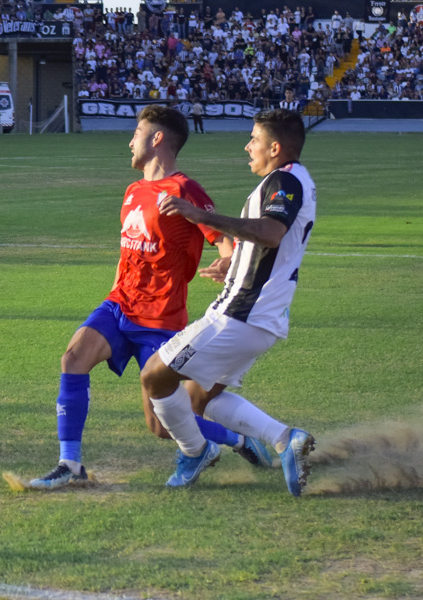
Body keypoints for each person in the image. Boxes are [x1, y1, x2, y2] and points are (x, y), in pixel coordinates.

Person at [24, 105, 274, 490]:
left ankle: (238, 439)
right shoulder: (133, 191)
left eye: (137, 132)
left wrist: (227, 261)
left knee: (161, 427)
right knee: (73, 357)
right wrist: (113, 297)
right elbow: (128, 250)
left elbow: (224, 238)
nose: (129, 141)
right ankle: (69, 464)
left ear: (157, 139)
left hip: (160, 318)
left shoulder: (183, 190)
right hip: (120, 305)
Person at [139, 109, 316, 496]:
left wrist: (200, 215)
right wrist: (234, 261)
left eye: (254, 139)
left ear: (275, 147)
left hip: (241, 314)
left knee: (154, 376)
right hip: (258, 317)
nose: (247, 145)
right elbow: (273, 245)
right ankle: (286, 439)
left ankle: (195, 452)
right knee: (198, 399)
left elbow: (270, 233)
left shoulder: (284, 180)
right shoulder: (287, 180)